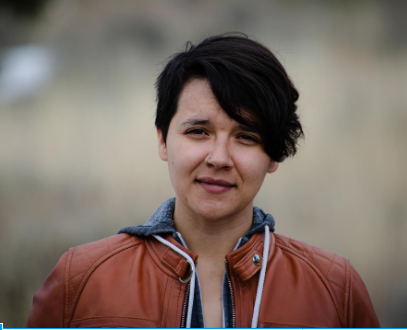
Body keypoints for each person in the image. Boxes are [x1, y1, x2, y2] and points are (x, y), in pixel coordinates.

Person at [25, 34, 380, 328]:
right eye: (198, 131)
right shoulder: (81, 280)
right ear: (163, 140)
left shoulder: (334, 290)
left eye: (246, 137)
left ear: (273, 155)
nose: (219, 158)